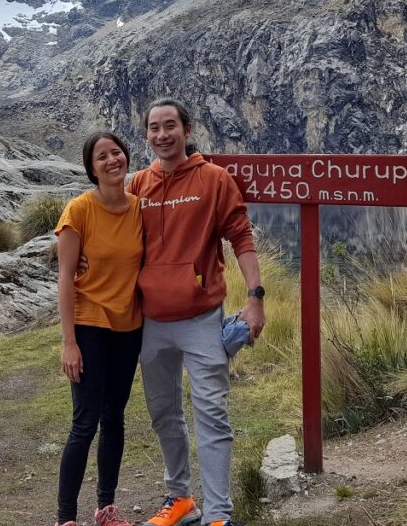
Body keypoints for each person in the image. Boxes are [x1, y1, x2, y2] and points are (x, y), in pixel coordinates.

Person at [131, 98, 266, 526]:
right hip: (150, 322)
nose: (162, 135)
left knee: (211, 413)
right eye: (154, 128)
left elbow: (241, 238)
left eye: (170, 126)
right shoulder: (138, 185)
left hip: (202, 318)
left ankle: (219, 515)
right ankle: (181, 500)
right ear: (147, 135)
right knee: (164, 414)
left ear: (187, 131)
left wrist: (255, 296)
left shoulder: (214, 180)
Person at [53, 131, 144, 526]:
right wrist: (69, 342)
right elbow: (65, 278)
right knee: (85, 421)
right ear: (92, 168)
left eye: (117, 152)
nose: (112, 160)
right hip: (90, 325)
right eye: (102, 156)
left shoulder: (140, 208)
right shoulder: (79, 210)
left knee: (115, 417)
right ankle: (66, 518)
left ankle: (106, 508)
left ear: (126, 157)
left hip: (129, 328)